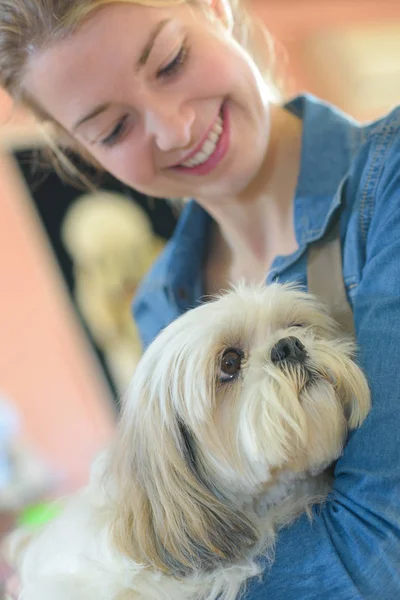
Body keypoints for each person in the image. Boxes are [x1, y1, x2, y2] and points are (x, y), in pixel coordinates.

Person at [1, 1, 400, 598]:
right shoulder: (159, 307)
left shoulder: (387, 184)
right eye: (113, 129)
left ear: (215, 8)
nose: (175, 127)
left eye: (170, 62)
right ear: (83, 151)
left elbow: (380, 546)